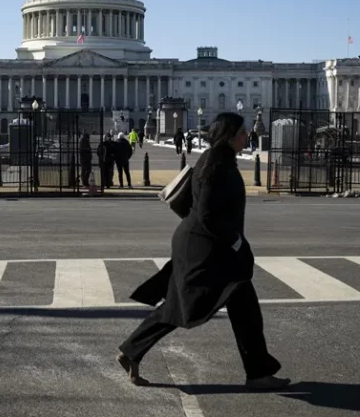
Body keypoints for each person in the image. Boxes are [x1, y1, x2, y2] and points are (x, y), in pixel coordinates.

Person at [116, 112, 290, 391]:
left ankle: (257, 372)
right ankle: (257, 373)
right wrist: (236, 243)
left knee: (232, 305)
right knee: (186, 306)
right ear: (231, 134)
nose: (248, 136)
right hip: (206, 248)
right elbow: (207, 214)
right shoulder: (217, 163)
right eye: (243, 132)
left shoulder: (218, 159)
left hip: (205, 244)